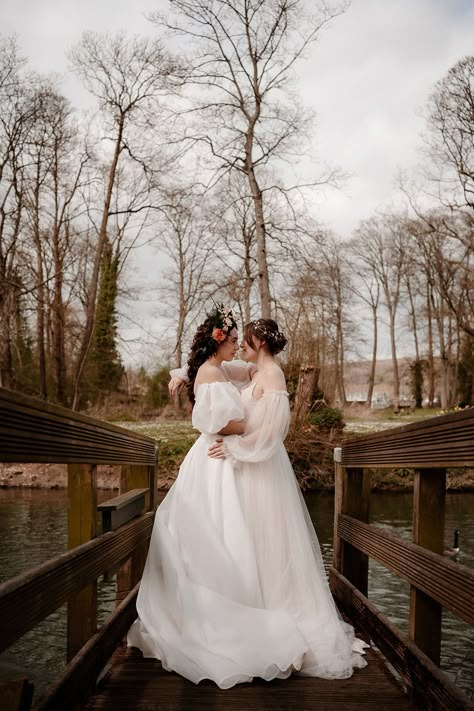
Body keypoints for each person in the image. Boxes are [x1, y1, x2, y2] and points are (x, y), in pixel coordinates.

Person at [128, 306, 368, 688]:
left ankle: (254, 605)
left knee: (250, 535)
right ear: (220, 340)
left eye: (244, 341)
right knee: (227, 533)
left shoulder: (268, 374)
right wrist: (181, 373)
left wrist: (234, 444)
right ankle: (230, 602)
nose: (239, 346)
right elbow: (210, 377)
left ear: (258, 344)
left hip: (251, 461)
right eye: (233, 339)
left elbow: (270, 430)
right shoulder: (248, 369)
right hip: (233, 461)